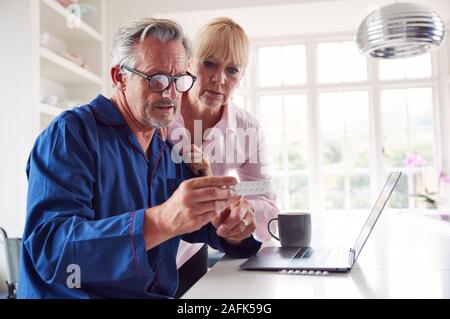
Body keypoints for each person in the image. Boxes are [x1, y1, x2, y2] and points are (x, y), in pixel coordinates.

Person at [17, 18, 261, 299]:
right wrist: (160, 221)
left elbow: (203, 225)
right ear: (120, 77)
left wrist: (232, 228)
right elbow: (51, 250)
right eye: (156, 79)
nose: (170, 94)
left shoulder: (167, 147)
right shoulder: (71, 134)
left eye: (178, 79)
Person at [168, 17, 278, 296]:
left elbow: (266, 199)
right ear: (189, 64)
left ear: (241, 78)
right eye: (209, 64)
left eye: (232, 70)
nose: (219, 79)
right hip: (147, 245)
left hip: (191, 254)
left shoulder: (247, 129)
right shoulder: (160, 112)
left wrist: (245, 209)